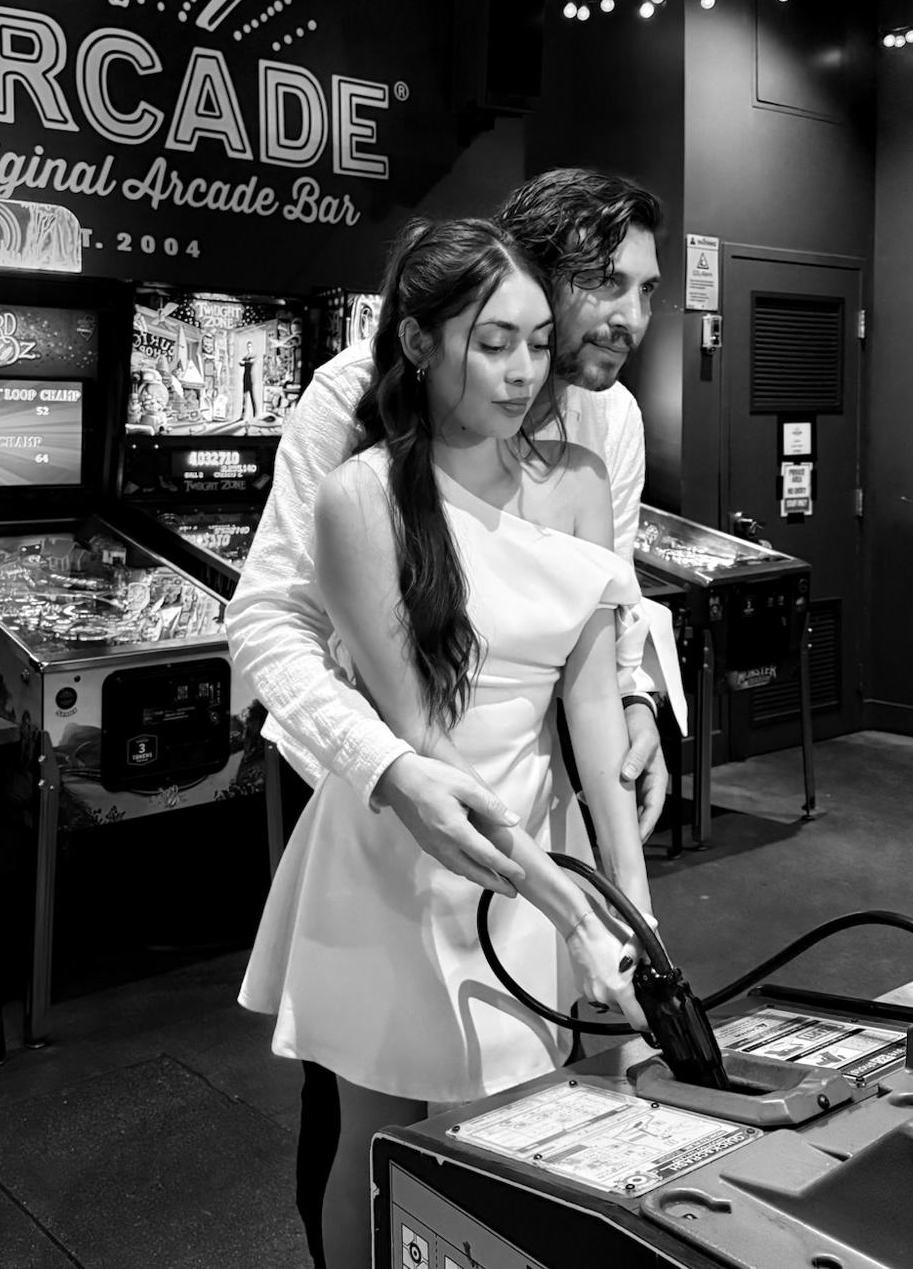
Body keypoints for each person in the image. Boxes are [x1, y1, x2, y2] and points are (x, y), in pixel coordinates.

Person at [225, 167, 673, 1267]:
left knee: (531, 1124)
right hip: (392, 805)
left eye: (647, 290)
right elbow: (272, 621)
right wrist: (388, 768)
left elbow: (600, 613)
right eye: (602, 286)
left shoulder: (603, 426)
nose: (628, 319)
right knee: (366, 1120)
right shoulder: (354, 418)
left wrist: (637, 701)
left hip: (536, 811)